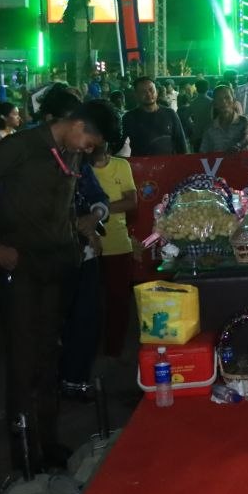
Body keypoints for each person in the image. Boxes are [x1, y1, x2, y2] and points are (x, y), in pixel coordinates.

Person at [0, 96, 117, 472]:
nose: (88, 151)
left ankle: (49, 442)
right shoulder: (20, 147)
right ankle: (25, 456)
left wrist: (83, 229)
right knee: (24, 360)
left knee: (49, 356)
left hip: (57, 268)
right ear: (78, 125)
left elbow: (63, 204)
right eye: (89, 143)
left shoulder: (70, 153)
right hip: (20, 267)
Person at [88, 139, 137, 359]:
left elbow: (131, 202)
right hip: (86, 244)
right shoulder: (81, 168)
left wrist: (96, 211)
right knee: (90, 301)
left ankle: (114, 350)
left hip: (117, 242)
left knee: (118, 300)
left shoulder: (121, 165)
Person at [121, 77, 188, 156]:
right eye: (143, 92)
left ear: (157, 91)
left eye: (151, 90)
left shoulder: (170, 114)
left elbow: (181, 143)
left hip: (168, 162)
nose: (149, 94)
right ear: (136, 94)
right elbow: (119, 144)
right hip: (141, 163)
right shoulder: (129, 117)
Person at [200, 85, 248, 153]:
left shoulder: (245, 122)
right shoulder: (209, 128)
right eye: (219, 99)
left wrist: (238, 146)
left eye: (227, 97)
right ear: (214, 104)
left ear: (234, 100)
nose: (224, 101)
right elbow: (203, 153)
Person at [188, 78, 213, 149]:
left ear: (196, 89)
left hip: (197, 133)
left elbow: (186, 117)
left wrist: (192, 125)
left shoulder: (193, 102)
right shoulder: (212, 102)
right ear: (207, 88)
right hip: (210, 133)